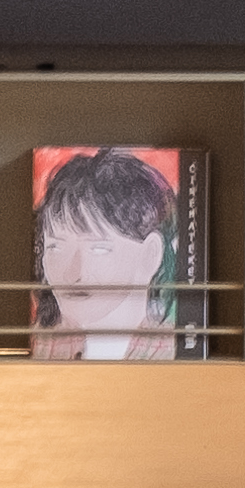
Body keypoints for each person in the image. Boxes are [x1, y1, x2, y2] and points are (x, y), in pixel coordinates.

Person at [26, 144, 183, 362]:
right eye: (56, 247)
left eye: (99, 249)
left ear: (150, 254)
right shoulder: (45, 342)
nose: (75, 273)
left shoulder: (174, 349)